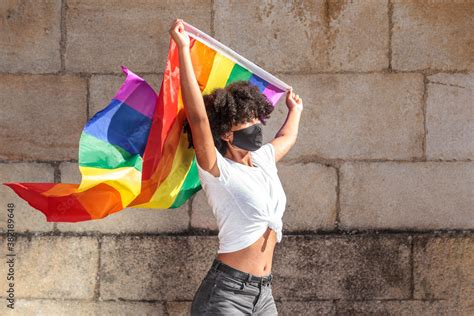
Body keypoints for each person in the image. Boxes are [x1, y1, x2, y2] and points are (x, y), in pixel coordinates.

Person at [169, 18, 303, 315]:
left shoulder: (264, 161)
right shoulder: (217, 170)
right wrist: (183, 50)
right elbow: (198, 117)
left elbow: (287, 137)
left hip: (264, 293)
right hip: (226, 295)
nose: (256, 126)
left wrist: (296, 110)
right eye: (247, 121)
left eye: (257, 118)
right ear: (227, 133)